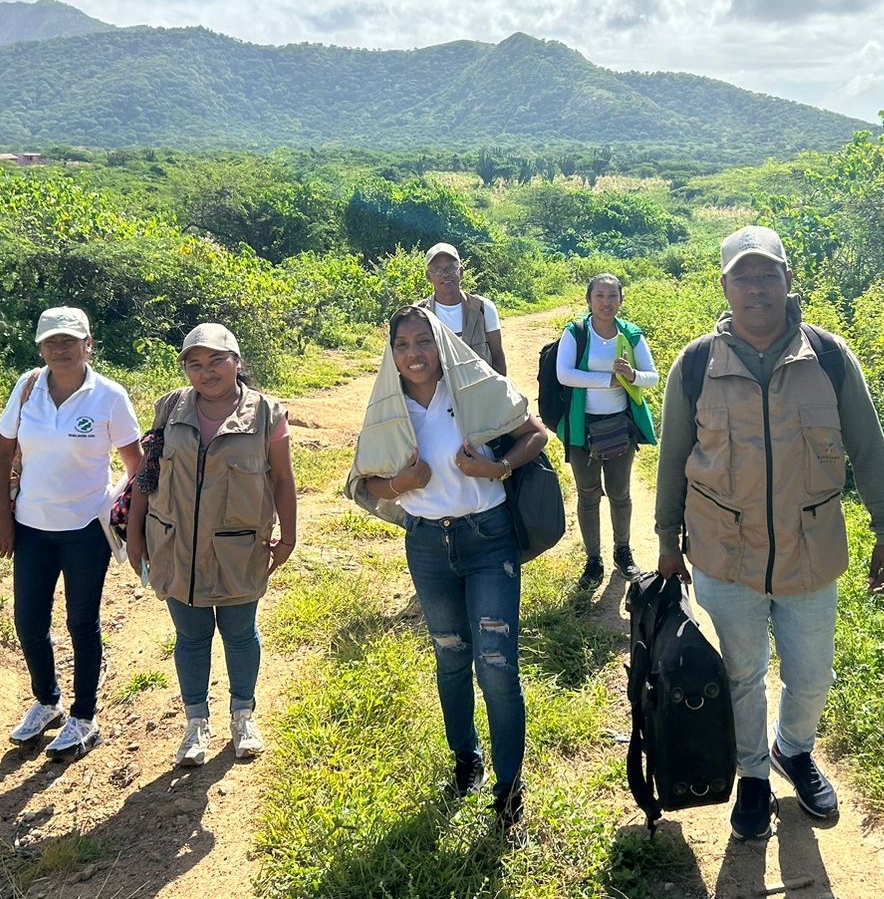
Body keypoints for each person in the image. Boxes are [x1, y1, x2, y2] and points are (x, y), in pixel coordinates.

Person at [655, 227, 884, 840]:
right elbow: (673, 457)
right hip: (723, 550)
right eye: (744, 277)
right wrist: (666, 537)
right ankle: (753, 779)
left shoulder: (829, 357)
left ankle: (792, 750)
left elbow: (869, 449)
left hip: (809, 549)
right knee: (738, 673)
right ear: (725, 287)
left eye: (768, 275)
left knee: (812, 673)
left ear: (789, 281)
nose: (757, 288)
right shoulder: (694, 366)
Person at [345, 306, 548, 829]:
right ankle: (467, 762)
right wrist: (399, 487)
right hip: (429, 547)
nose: (414, 354)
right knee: (451, 656)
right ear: (391, 352)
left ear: (441, 344)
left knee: (498, 666)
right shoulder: (387, 407)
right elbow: (364, 483)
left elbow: (536, 434)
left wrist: (498, 466)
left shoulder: (474, 385)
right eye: (403, 344)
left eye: (423, 342)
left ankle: (508, 789)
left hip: (488, 539)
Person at [125, 323, 298, 767]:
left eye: (217, 360)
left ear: (237, 362)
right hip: (174, 544)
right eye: (195, 364)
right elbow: (147, 474)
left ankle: (243, 715)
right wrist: (135, 534)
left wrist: (290, 535)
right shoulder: (170, 408)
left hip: (238, 547)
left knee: (240, 633)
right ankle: (195, 723)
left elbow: (282, 479)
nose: (207, 372)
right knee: (191, 636)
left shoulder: (265, 414)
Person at [0, 306, 143, 762]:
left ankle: (84, 716)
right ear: (40, 347)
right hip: (32, 528)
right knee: (29, 623)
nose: (60, 348)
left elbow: (135, 464)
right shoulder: (27, 387)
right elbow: (2, 451)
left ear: (88, 345)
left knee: (81, 623)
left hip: (84, 532)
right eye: (51, 341)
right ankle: (47, 701)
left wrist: (109, 504)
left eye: (70, 340)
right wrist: (3, 515)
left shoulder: (109, 397)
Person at [554, 273, 658, 588]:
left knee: (620, 493)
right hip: (581, 427)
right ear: (589, 300)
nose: (606, 302)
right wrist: (609, 381)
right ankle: (593, 560)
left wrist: (633, 375)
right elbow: (564, 374)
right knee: (587, 495)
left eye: (612, 296)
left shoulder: (632, 335)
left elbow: (652, 376)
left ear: (621, 300)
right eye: (599, 296)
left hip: (619, 426)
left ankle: (623, 552)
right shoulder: (575, 333)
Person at [420, 242, 507, 375]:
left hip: (480, 391)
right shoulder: (419, 314)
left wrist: (499, 392)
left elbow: (498, 357)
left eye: (451, 268)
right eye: (437, 270)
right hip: (442, 393)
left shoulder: (483, 309)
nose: (445, 275)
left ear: (460, 272)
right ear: (428, 276)